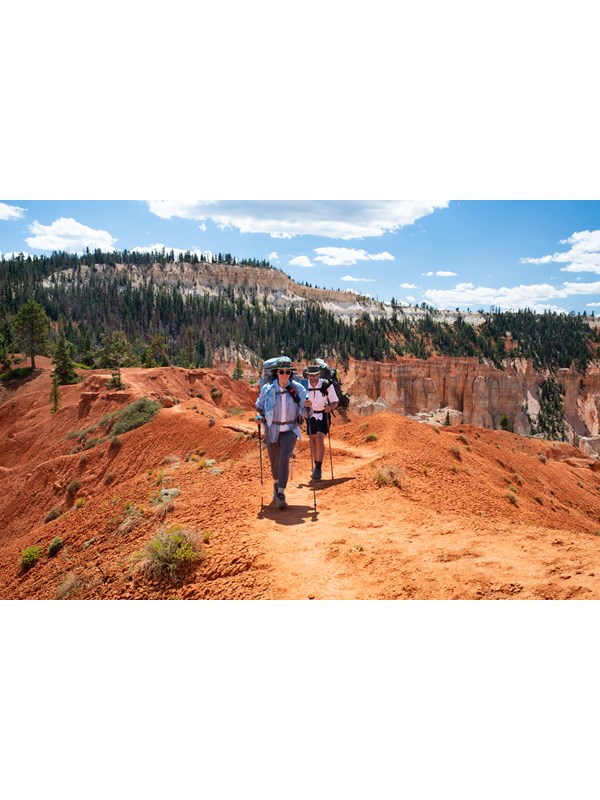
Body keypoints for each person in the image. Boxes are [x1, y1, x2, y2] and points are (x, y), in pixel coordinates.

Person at [256, 358, 310, 508]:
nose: (285, 375)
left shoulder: (298, 389)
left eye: (288, 372)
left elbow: (305, 410)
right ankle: (276, 483)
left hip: (290, 429)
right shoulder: (267, 389)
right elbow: (259, 405)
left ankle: (281, 492)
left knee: (284, 457)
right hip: (272, 429)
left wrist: (307, 407)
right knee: (275, 461)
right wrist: (259, 416)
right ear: (276, 373)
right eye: (282, 372)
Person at [304, 363, 339, 480]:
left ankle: (318, 468)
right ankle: (316, 465)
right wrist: (304, 407)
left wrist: (330, 407)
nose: (313, 378)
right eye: (310, 376)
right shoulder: (304, 386)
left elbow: (335, 402)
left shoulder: (327, 385)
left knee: (319, 438)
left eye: (315, 375)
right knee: (313, 440)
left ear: (319, 374)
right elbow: (299, 402)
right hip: (311, 415)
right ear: (307, 376)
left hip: (323, 415)